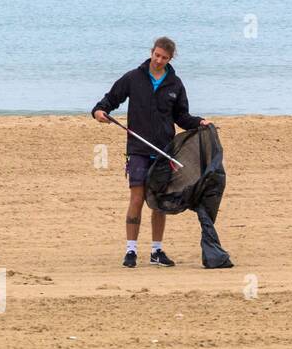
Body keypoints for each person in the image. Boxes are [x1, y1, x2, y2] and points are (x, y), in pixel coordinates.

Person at [92, 36, 220, 268]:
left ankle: (156, 251)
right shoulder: (133, 78)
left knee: (158, 201)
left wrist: (200, 122)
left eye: (164, 58)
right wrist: (99, 111)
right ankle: (131, 251)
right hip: (138, 149)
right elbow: (110, 100)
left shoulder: (175, 84)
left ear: (170, 59)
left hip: (164, 151)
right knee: (137, 198)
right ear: (152, 52)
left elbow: (182, 117)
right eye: (157, 55)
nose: (159, 60)